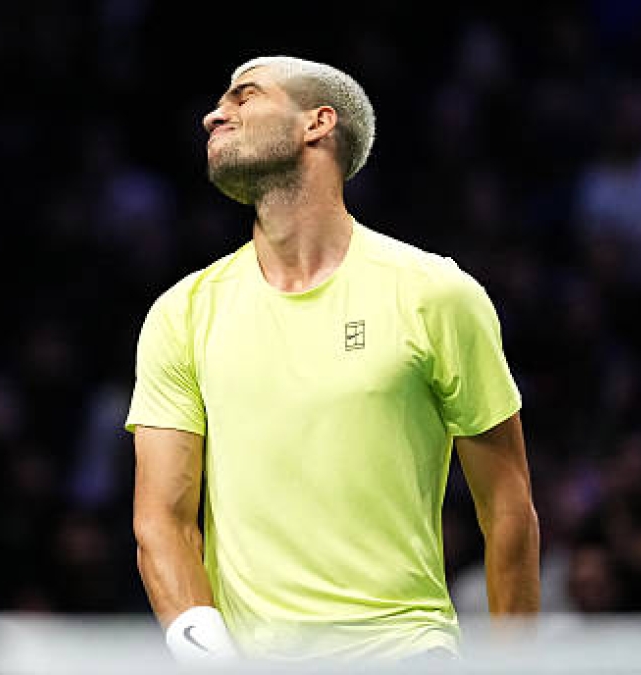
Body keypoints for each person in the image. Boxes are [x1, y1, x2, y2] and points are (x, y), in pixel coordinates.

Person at [126, 55, 540, 665]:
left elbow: (507, 509)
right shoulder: (182, 313)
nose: (216, 114)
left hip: (406, 652)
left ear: (317, 123)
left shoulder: (436, 294)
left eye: (245, 97)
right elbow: (161, 523)